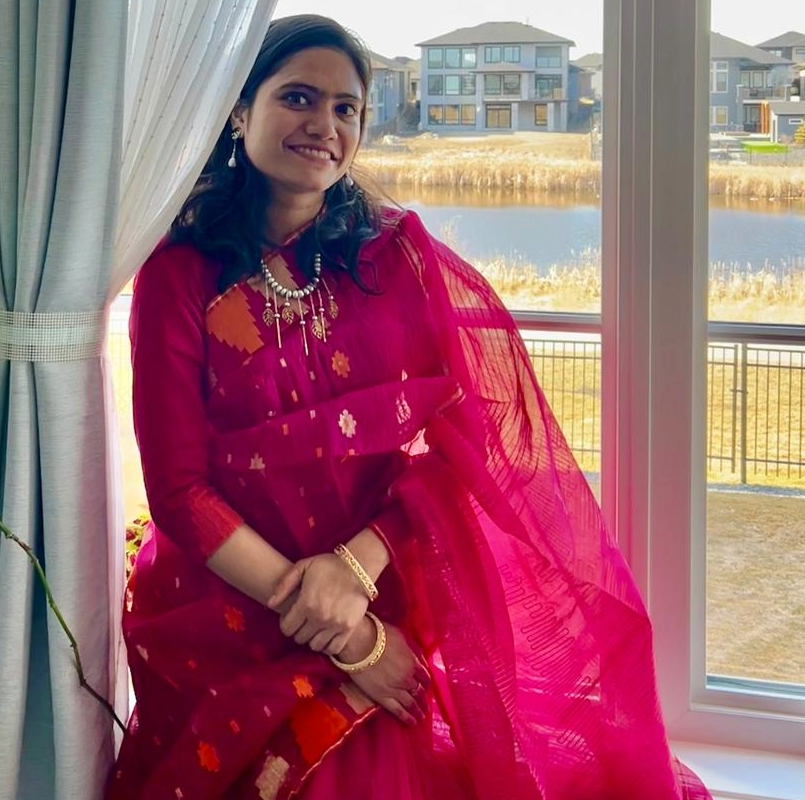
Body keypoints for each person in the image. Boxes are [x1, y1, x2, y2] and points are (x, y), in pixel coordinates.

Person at [108, 14, 713, 800]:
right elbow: (180, 492)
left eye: (346, 108)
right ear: (239, 109)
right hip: (228, 613)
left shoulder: (393, 259)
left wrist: (355, 573)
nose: (324, 125)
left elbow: (458, 451)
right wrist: (349, 636)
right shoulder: (179, 273)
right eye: (298, 98)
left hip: (376, 585)